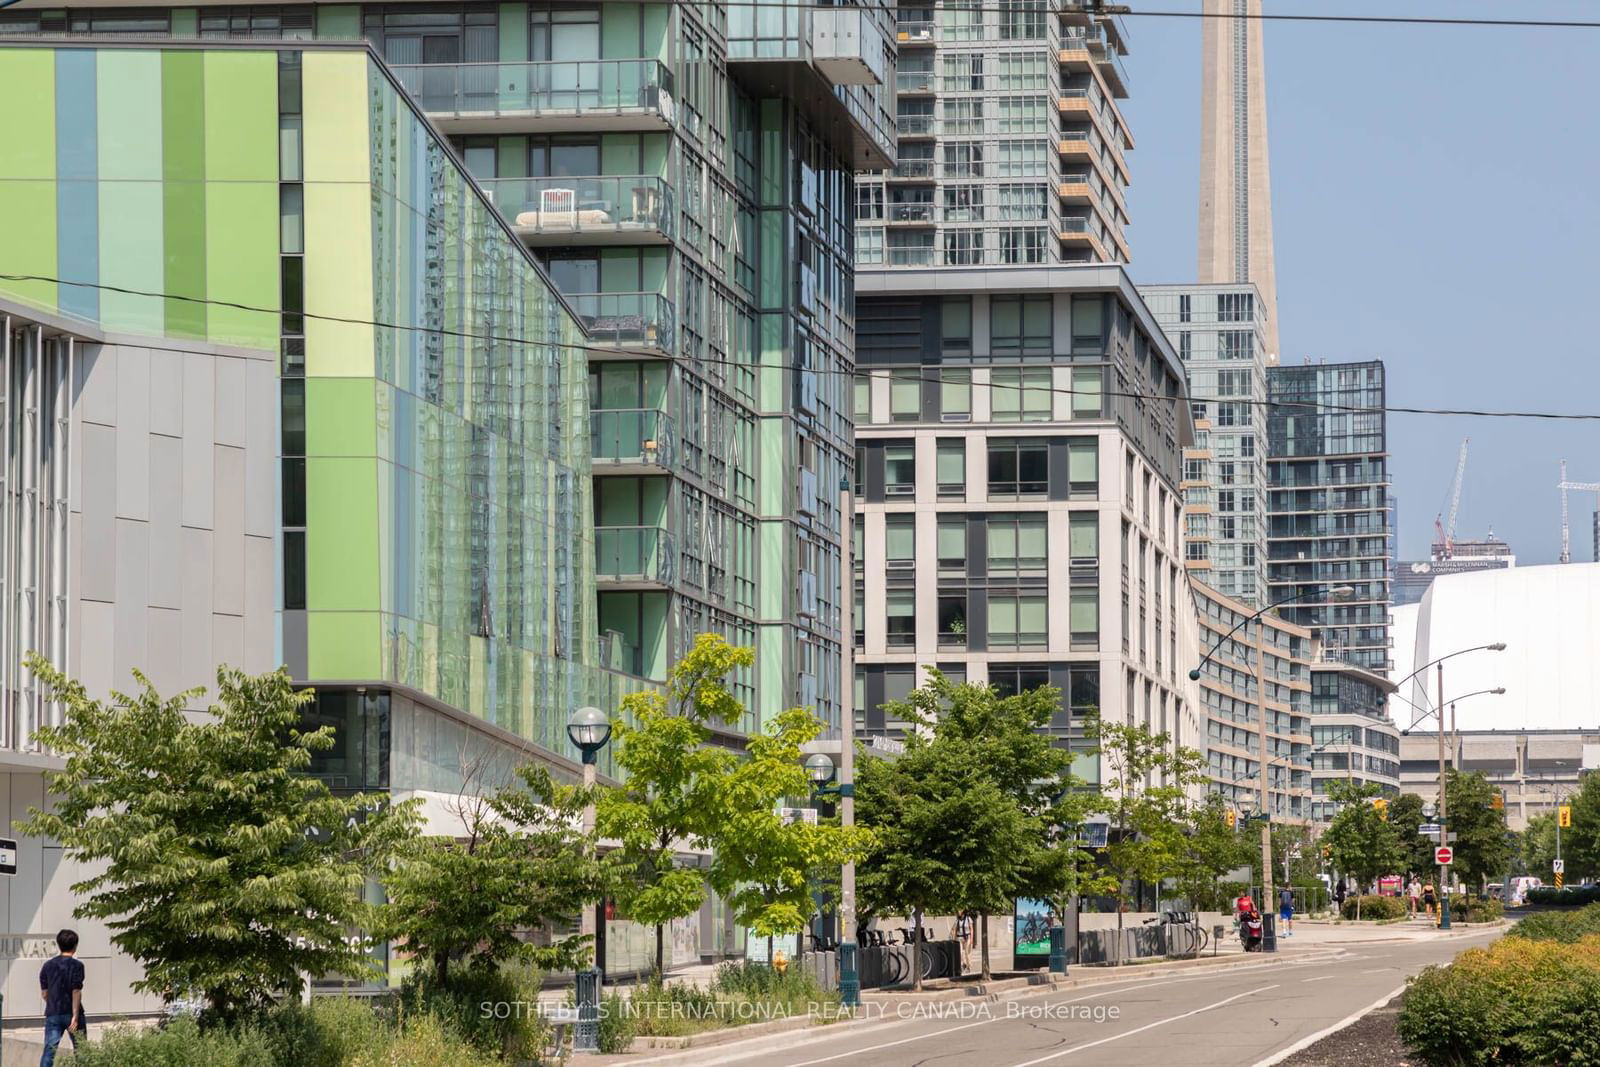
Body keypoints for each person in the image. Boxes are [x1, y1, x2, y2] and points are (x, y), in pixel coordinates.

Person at [39, 928, 85, 1067]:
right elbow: (76, 991)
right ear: (75, 946)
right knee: (81, 1050)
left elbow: (45, 993)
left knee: (49, 1051)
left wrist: (52, 1004)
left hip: (53, 1013)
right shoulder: (77, 965)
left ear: (59, 944)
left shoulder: (47, 966)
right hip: (73, 1013)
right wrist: (75, 1016)